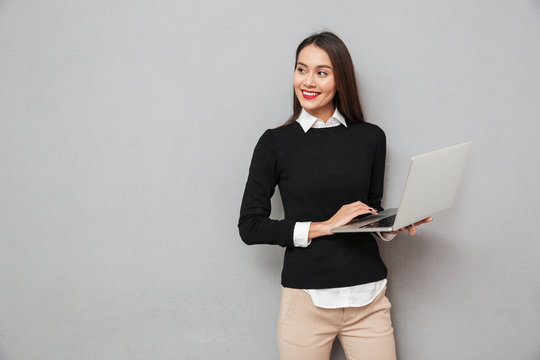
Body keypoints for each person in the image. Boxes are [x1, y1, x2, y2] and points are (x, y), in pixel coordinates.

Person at [237, 31, 432, 360]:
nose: (308, 81)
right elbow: (250, 226)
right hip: (306, 302)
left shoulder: (371, 138)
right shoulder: (275, 143)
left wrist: (388, 226)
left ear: (341, 79)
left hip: (369, 297)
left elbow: (368, 209)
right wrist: (325, 226)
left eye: (321, 72)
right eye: (302, 69)